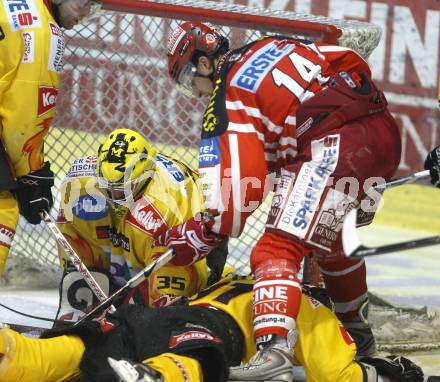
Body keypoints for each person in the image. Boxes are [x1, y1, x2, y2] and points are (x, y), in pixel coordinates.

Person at [162, 21, 403, 374]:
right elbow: (351, 61)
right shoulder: (271, 44)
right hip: (383, 134)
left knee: (276, 249)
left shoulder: (226, 94)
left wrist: (199, 234)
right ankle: (358, 334)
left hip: (336, 145)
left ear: (202, 63)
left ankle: (274, 353)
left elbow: (234, 201)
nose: (194, 93)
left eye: (187, 81)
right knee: (329, 240)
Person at [0, 274, 428, 382]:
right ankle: (153, 375)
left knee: (59, 353)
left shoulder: (248, 277)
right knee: (200, 362)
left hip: (149, 316)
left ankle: (11, 350)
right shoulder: (307, 302)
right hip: (204, 329)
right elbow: (334, 374)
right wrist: (383, 371)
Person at [55, 128, 224, 322]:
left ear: (147, 175)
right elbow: (70, 234)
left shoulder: (166, 204)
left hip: (181, 238)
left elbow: (186, 252)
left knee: (160, 317)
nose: (115, 197)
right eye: (109, 188)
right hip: (128, 242)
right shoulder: (79, 183)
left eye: (125, 190)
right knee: (77, 239)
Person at [0, 0, 101, 275]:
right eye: (84, 3)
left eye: (95, 6)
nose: (86, 14)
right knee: (2, 208)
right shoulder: (44, 31)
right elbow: (24, 116)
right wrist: (31, 174)